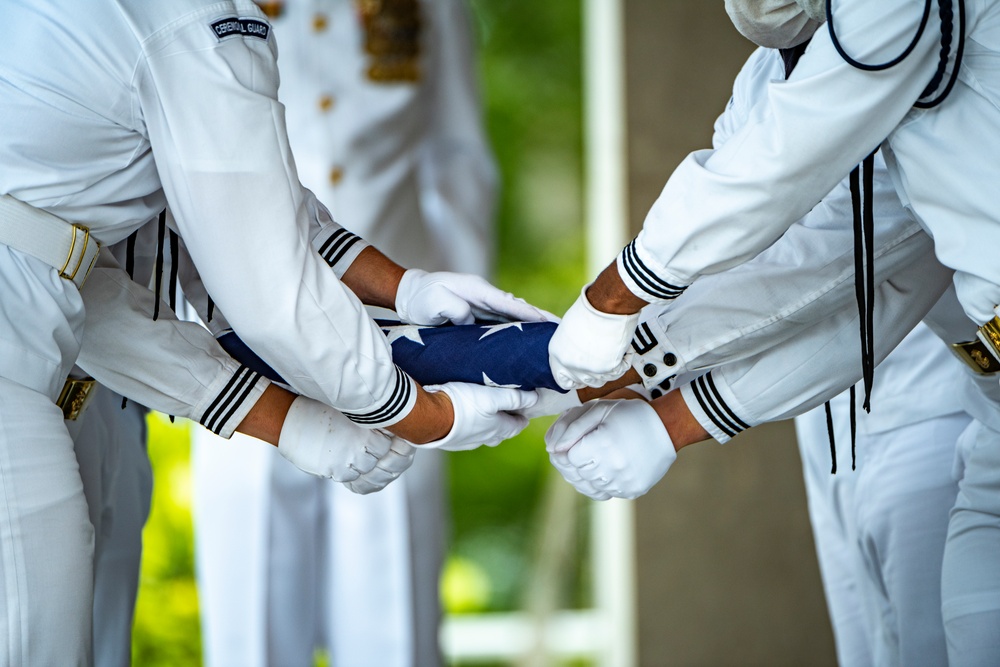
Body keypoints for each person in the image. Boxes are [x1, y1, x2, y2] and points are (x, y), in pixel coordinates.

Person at [0, 1, 545, 663]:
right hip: (281, 342)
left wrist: (404, 289)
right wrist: (423, 412)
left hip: (107, 339)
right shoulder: (199, 22)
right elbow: (263, 285)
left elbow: (101, 281)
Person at [545, 1, 1000, 661]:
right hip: (989, 402)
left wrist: (617, 302)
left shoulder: (888, 20)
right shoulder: (772, 72)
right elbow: (880, 294)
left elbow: (799, 211)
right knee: (970, 629)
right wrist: (669, 413)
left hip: (930, 407)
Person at [190, 1, 497, 664]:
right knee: (253, 619)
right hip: (248, 345)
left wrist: (465, 344)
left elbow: (459, 163)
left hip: (400, 349)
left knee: (395, 621)